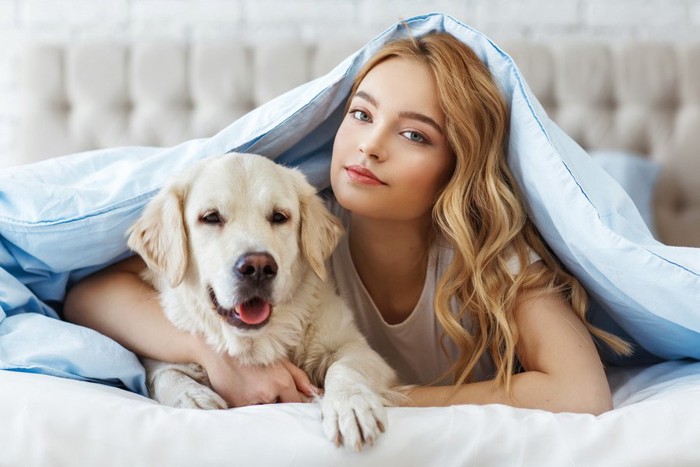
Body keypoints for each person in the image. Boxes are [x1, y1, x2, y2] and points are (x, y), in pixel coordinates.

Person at [63, 32, 630, 414]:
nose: (369, 146)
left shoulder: (489, 260)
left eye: (414, 134)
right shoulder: (292, 227)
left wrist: (389, 397)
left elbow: (583, 391)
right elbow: (92, 295)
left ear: (456, 166)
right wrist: (216, 360)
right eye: (360, 113)